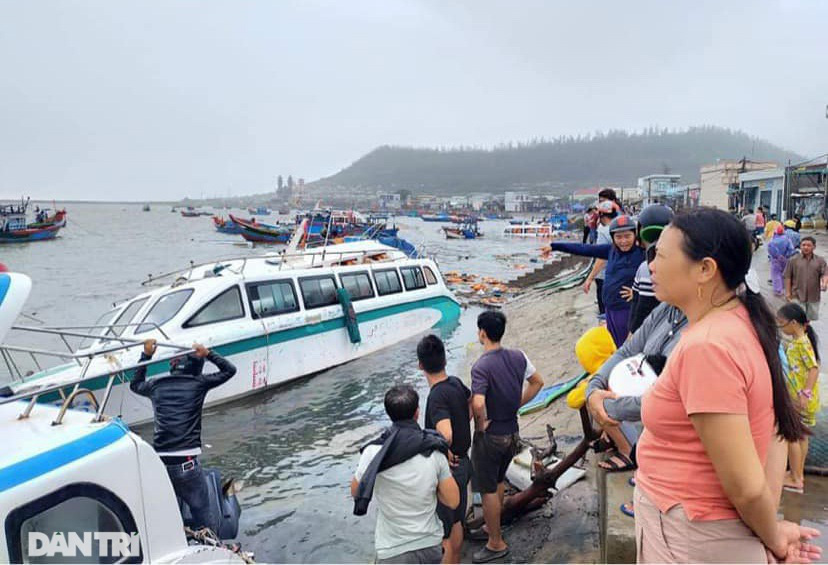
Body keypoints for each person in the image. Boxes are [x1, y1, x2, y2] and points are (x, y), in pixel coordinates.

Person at [635, 208, 818, 562]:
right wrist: (769, 528)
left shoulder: (707, 347)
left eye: (659, 254)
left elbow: (747, 489)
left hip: (689, 535)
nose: (651, 266)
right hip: (700, 531)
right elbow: (776, 428)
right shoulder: (744, 320)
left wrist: (774, 541)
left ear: (705, 269)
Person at [130, 339, 237, 530]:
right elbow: (230, 370)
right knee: (203, 514)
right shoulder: (199, 383)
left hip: (160, 463)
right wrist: (208, 353)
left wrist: (146, 355)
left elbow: (135, 384)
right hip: (186, 465)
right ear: (196, 367)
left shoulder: (156, 384)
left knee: (168, 512)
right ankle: (216, 548)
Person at [352, 385, 459, 564]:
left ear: (389, 414)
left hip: (392, 548)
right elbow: (453, 501)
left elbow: (356, 492)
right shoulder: (434, 450)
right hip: (429, 544)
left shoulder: (373, 453)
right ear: (417, 413)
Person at [470, 311, 543, 563]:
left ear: (482, 333)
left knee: (487, 489)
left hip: (491, 436)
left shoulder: (481, 366)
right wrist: (516, 404)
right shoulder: (518, 356)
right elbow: (537, 382)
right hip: (512, 432)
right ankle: (493, 526)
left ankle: (496, 542)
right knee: (499, 480)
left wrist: (481, 424)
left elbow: (478, 403)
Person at [587, 304, 687, 480]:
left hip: (679, 464)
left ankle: (628, 451)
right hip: (655, 447)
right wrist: (594, 388)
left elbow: (667, 397)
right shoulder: (667, 309)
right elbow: (627, 350)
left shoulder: (704, 337)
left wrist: (605, 406)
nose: (651, 275)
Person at [418, 335, 472, 564]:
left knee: (444, 531)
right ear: (444, 358)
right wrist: (464, 423)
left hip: (450, 469)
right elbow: (471, 401)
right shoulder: (455, 383)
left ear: (420, 365)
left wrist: (443, 448)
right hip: (464, 462)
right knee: (457, 520)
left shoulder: (436, 396)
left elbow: (445, 433)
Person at [551, 215, 645, 346]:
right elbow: (583, 249)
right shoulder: (610, 250)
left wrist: (638, 292)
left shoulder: (642, 254)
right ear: (613, 238)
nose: (623, 241)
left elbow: (656, 278)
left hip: (626, 310)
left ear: (635, 235)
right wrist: (554, 246)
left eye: (627, 236)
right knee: (614, 345)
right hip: (610, 309)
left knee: (627, 347)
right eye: (618, 237)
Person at [777, 303, 821, 495]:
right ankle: (798, 474)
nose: (780, 327)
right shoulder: (797, 342)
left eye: (781, 323)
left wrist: (805, 393)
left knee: (793, 436)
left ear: (793, 323)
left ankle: (795, 477)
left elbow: (814, 368)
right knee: (802, 436)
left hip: (801, 398)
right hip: (802, 396)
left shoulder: (802, 343)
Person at [628, 204, 674, 334]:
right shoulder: (676, 263)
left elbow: (643, 308)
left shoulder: (646, 267)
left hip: (649, 334)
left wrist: (632, 333)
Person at [582, 201, 617, 319]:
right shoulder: (620, 227)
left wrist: (590, 278)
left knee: (605, 312)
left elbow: (601, 259)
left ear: (601, 215)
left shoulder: (603, 230)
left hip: (604, 276)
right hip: (617, 275)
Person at [784, 236, 828, 321]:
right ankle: (800, 332)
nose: (805, 247)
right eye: (803, 245)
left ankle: (806, 331)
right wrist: (788, 293)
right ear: (800, 246)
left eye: (809, 245)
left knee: (809, 318)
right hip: (797, 295)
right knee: (797, 318)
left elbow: (825, 273)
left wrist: (824, 283)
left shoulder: (820, 261)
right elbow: (787, 277)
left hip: (813, 296)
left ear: (814, 247)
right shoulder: (793, 260)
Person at [767, 225, 796, 297]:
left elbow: (770, 250)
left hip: (775, 260)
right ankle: (784, 287)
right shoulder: (787, 239)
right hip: (785, 259)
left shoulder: (772, 241)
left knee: (776, 274)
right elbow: (791, 250)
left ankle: (778, 290)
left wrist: (777, 256)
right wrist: (785, 256)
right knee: (784, 274)